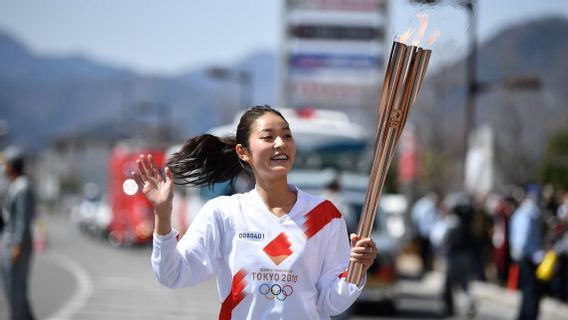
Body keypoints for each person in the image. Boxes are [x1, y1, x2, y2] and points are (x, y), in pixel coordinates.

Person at [133, 105, 377, 319]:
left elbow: (330, 303)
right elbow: (172, 274)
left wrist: (356, 270)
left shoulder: (325, 216)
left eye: (287, 135)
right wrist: (162, 215)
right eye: (268, 137)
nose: (280, 143)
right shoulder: (224, 213)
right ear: (243, 152)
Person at [1, 146, 36, 320]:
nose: (3, 168)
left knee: (15, 292)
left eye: (6, 164)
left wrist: (17, 245)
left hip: (16, 246)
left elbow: (22, 219)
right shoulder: (14, 185)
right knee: (13, 291)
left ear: (13, 165)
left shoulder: (23, 187)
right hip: (8, 243)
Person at [510, 187, 544, 320]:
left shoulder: (522, 212)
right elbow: (523, 240)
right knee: (531, 293)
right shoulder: (530, 212)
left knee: (527, 292)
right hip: (529, 258)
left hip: (525, 257)